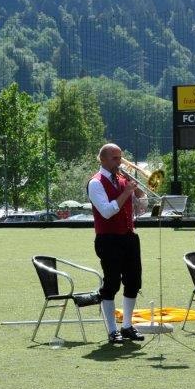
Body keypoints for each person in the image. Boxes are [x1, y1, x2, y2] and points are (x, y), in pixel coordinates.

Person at [87, 143, 149, 344]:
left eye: (120, 157)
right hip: (109, 239)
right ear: (102, 159)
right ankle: (113, 330)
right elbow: (107, 211)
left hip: (129, 236)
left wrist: (139, 194)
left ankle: (127, 326)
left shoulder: (123, 180)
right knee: (112, 283)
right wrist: (126, 192)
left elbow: (140, 209)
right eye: (115, 158)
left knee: (133, 282)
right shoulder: (95, 183)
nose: (119, 162)